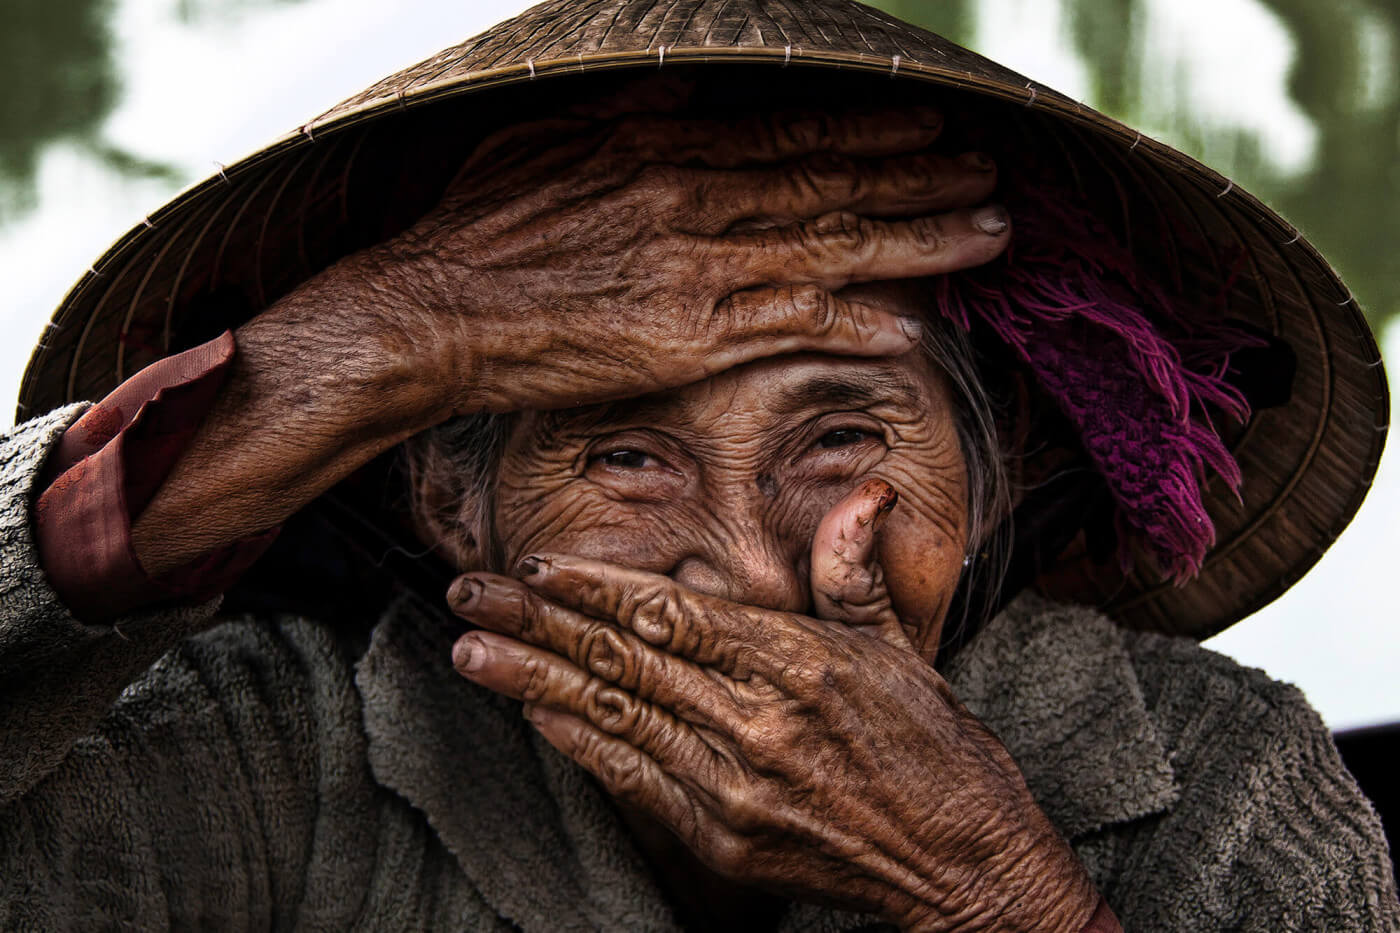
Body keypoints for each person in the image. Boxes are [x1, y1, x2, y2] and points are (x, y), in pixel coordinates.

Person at [2, 1, 1395, 930]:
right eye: (621, 450)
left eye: (842, 437)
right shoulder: (266, 762)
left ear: (993, 468)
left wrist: (988, 892)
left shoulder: (1221, 790)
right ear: (450, 501)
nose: (740, 562)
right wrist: (386, 334)